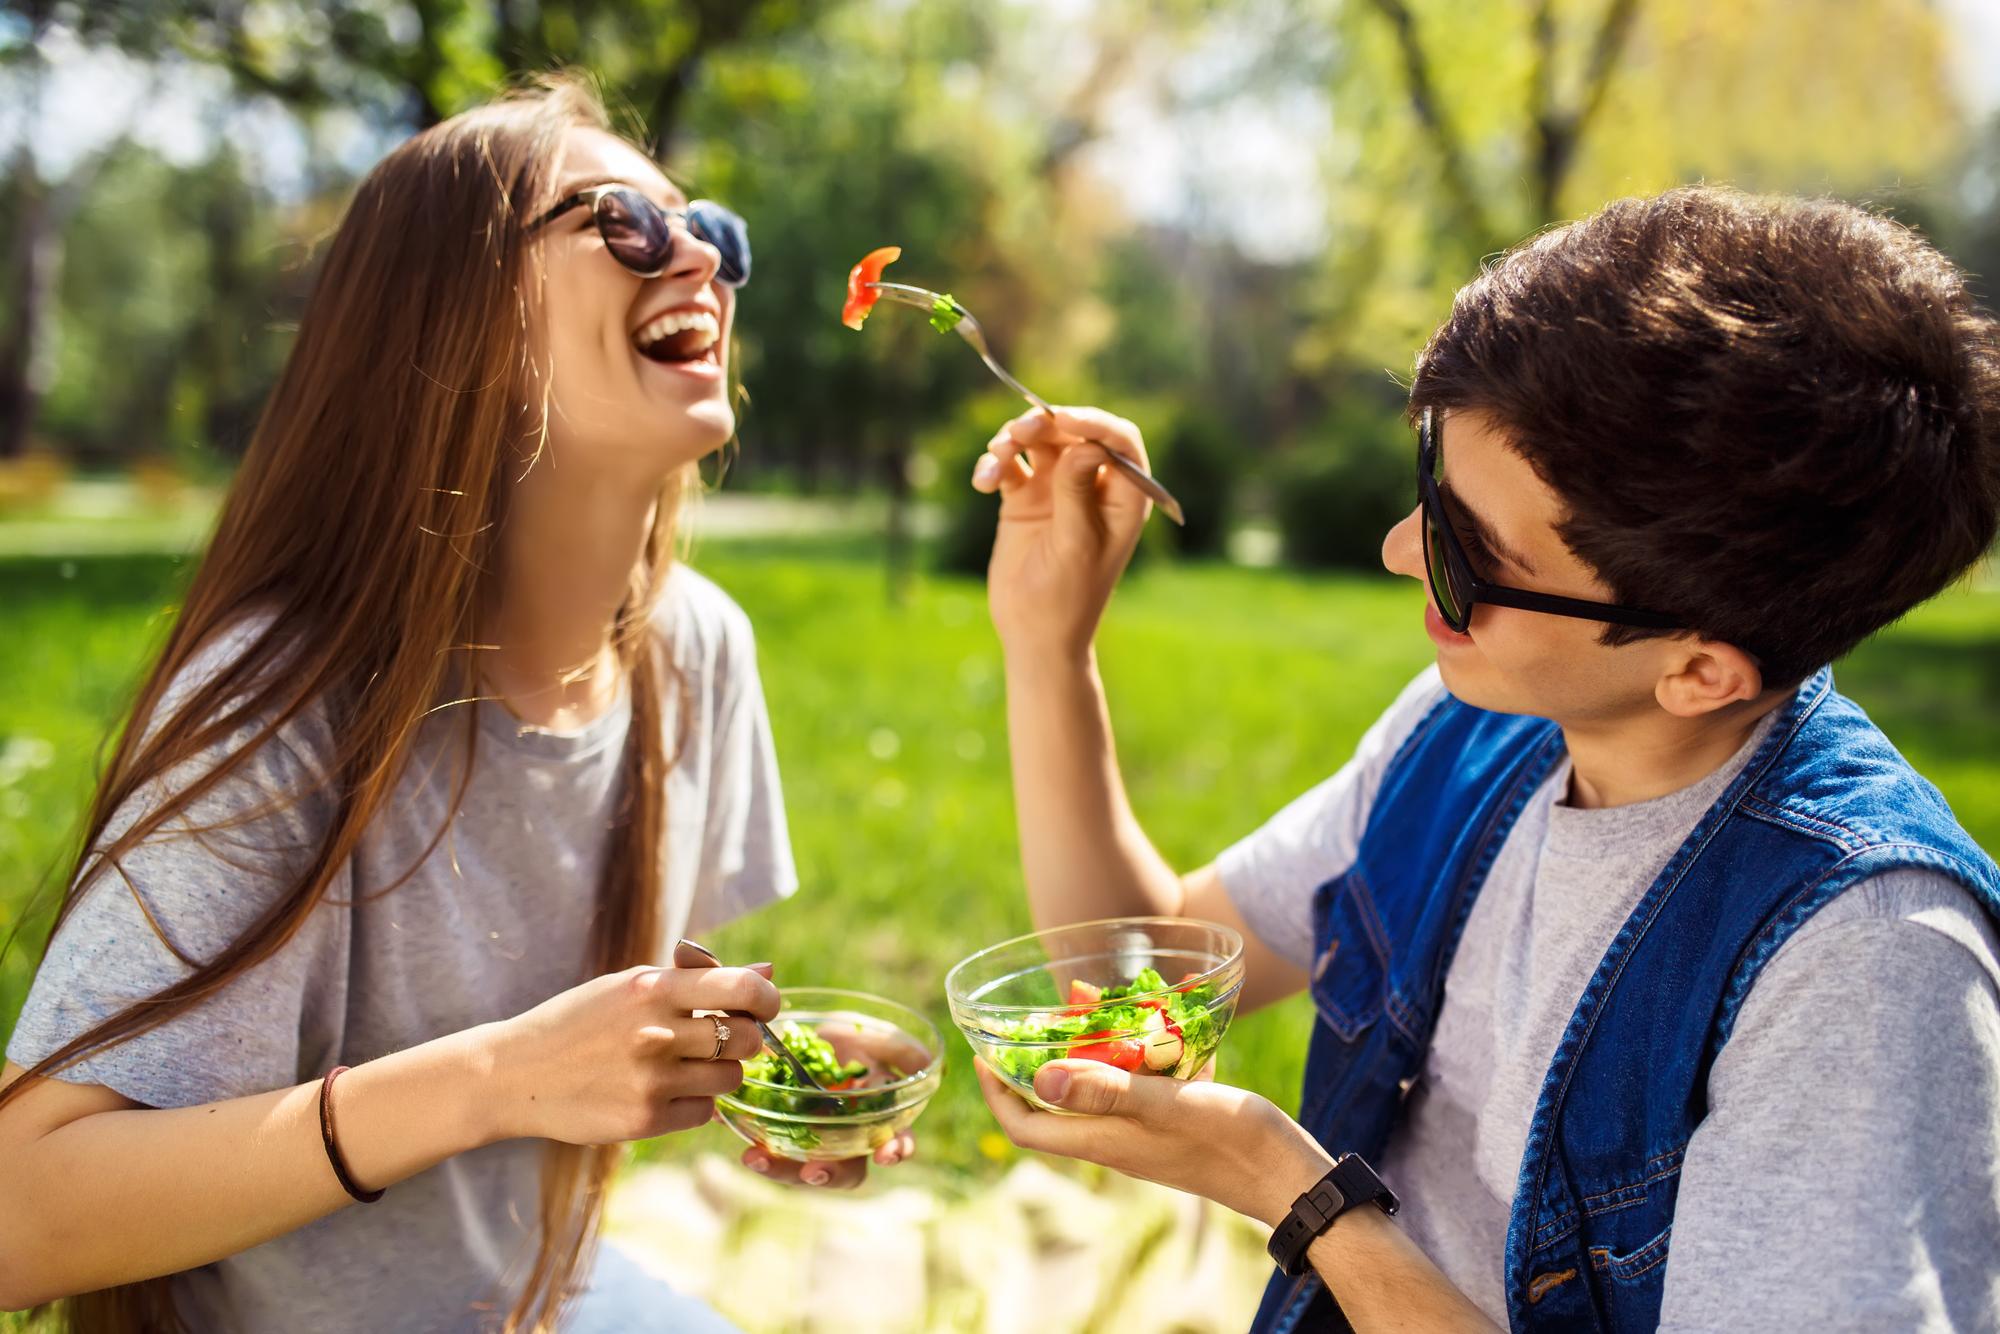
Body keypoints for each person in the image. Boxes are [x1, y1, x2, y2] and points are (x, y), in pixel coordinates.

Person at [969, 187, 2000, 1332]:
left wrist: (1293, 1193)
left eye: (1467, 552)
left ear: (1699, 671)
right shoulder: (1474, 732)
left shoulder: (1861, 967)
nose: (1399, 549)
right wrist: (1049, 644)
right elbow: (1138, 967)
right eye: (1428, 485)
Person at [0, 74, 906, 1334]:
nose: (699, 253)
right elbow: (23, 1214)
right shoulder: (290, 704)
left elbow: (606, 1019)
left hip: (534, 1302)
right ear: (453, 321)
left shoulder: (698, 651)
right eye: (621, 223)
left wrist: (776, 1060)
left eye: (713, 230)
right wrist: (499, 1079)